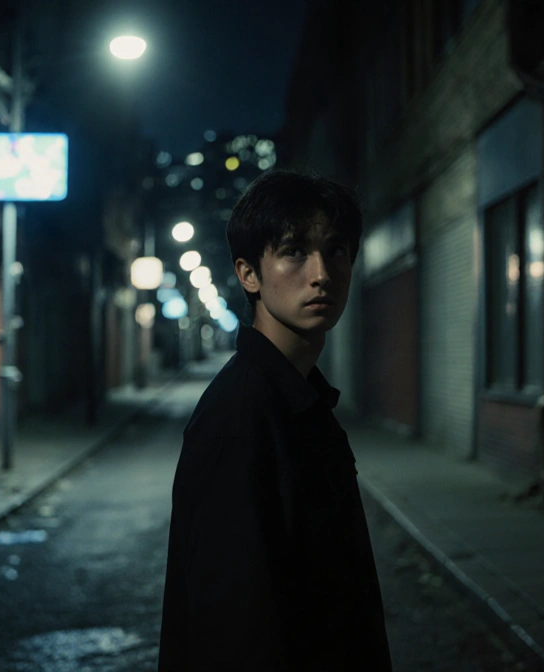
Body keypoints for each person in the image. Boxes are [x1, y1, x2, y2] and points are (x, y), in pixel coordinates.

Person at [158, 171, 392, 671]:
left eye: (336, 250)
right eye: (294, 252)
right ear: (248, 274)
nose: (322, 273)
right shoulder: (241, 418)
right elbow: (232, 627)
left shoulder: (297, 397)